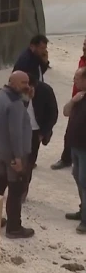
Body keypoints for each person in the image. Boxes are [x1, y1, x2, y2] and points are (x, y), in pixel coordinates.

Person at [0, 71, 35, 239]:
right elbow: (15, 133)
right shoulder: (15, 103)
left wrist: (26, 99)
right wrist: (18, 158)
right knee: (16, 191)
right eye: (23, 83)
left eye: (28, 82)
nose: (27, 86)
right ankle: (14, 227)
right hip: (15, 155)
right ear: (13, 83)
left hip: (1, 150)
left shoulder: (0, 94)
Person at [53, 37, 86, 170]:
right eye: (84, 44)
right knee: (71, 131)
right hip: (77, 99)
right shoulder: (82, 59)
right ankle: (67, 158)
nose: (84, 47)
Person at [23, 79, 58, 199]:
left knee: (28, 163)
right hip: (19, 130)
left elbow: (53, 113)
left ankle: (22, 191)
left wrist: (43, 133)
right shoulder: (17, 90)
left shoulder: (45, 91)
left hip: (35, 132)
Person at [64, 67, 86, 234]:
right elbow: (65, 112)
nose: (75, 82)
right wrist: (73, 101)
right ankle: (82, 210)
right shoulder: (79, 97)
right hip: (75, 146)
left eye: (77, 79)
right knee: (78, 178)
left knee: (84, 182)